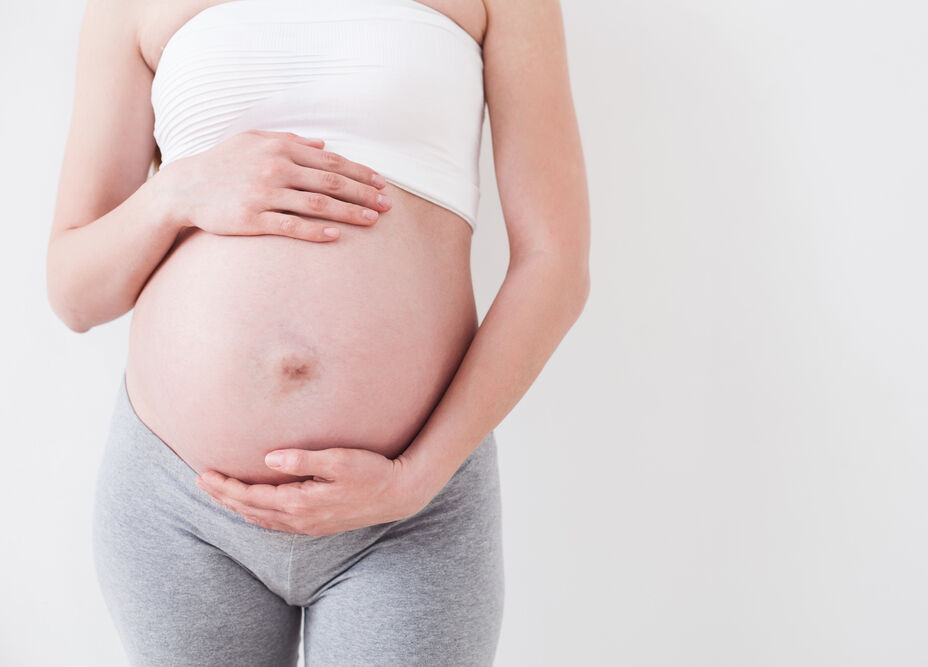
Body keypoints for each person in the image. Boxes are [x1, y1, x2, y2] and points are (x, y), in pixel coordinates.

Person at [46, 0, 589, 663]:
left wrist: (414, 478)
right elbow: (74, 290)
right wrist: (177, 192)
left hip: (409, 510)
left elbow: (555, 264)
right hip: (183, 507)